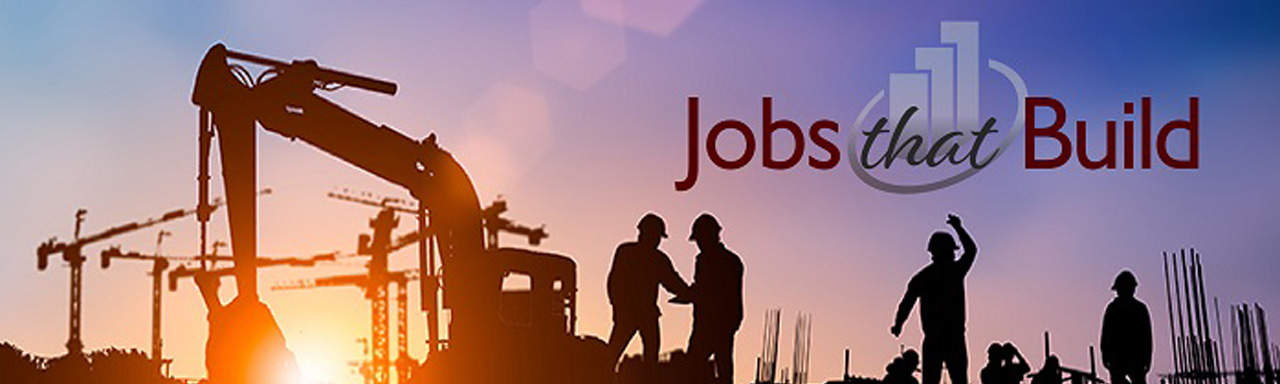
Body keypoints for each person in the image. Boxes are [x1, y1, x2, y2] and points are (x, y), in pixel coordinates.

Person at [892, 213, 978, 384]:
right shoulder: (955, 271)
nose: (954, 255)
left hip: (934, 340)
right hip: (953, 338)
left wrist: (898, 324)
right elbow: (972, 250)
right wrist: (958, 227)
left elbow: (906, 303)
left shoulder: (923, 277)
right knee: (959, 380)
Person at [606, 213, 690, 370]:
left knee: (626, 357)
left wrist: (688, 293)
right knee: (614, 356)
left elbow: (672, 281)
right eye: (657, 236)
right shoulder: (632, 253)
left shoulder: (645, 256)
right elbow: (614, 283)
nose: (658, 240)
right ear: (645, 233)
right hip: (632, 314)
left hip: (640, 314)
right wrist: (619, 307)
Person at [673, 213, 744, 384]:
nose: (698, 244)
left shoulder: (712, 261)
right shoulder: (731, 260)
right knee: (721, 366)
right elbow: (703, 288)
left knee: (696, 367)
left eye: (700, 239)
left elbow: (708, 291)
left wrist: (688, 295)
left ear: (709, 236)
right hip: (719, 322)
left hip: (714, 323)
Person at [1100, 270, 1153, 384]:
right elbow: (1106, 334)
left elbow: (1146, 337)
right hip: (1124, 358)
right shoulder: (1138, 309)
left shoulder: (1115, 309)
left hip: (1128, 358)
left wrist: (1105, 356)